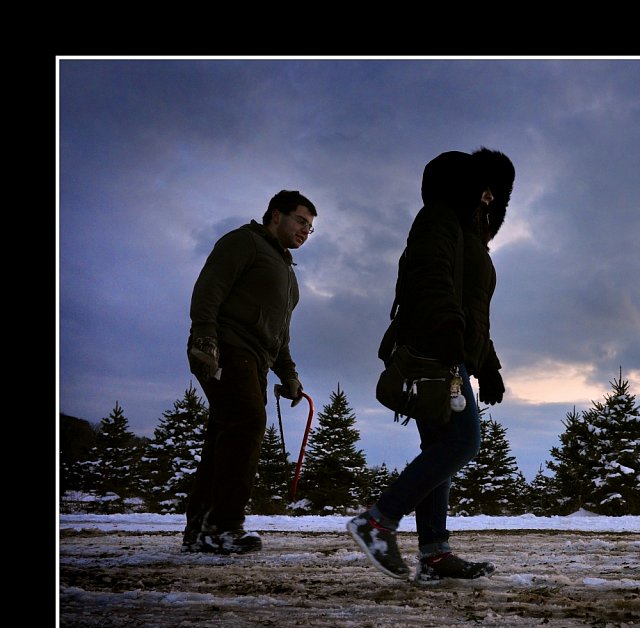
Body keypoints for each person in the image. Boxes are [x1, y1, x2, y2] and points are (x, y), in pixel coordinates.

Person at [348, 147, 515, 583]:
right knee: (462, 442)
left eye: (493, 195)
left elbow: (473, 309)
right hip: (433, 351)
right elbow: (431, 280)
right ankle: (378, 520)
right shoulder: (439, 219)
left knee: (440, 448)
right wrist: (450, 344)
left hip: (450, 350)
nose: (489, 201)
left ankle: (435, 555)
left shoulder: (468, 238)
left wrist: (488, 365)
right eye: (482, 192)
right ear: (462, 188)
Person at [183, 190, 317, 554]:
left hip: (256, 360)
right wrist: (204, 338)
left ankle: (200, 530)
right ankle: (223, 526)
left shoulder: (287, 273)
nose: (306, 230)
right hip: (227, 347)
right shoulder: (244, 242)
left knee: (223, 436)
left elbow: (280, 334)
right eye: (301, 221)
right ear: (276, 215)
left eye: (311, 227)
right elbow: (210, 288)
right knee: (246, 423)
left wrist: (288, 374)